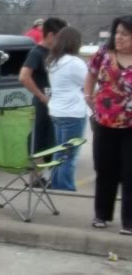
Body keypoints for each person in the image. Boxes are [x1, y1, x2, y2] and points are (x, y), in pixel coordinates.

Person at [85, 15, 132, 233]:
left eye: (125, 33)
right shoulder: (104, 53)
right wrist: (88, 95)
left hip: (130, 125)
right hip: (105, 121)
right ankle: (102, 215)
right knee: (104, 169)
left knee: (129, 172)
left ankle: (129, 222)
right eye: (118, 33)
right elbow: (91, 74)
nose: (119, 37)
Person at [20, 17, 67, 168]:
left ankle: (49, 176)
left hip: (58, 106)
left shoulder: (58, 53)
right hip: (42, 106)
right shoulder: (37, 53)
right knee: (37, 142)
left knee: (53, 143)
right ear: (51, 35)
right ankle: (37, 178)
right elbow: (24, 76)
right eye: (61, 37)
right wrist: (41, 96)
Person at [46, 26, 88, 191]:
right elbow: (90, 85)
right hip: (73, 113)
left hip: (57, 110)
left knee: (60, 151)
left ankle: (56, 184)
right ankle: (65, 187)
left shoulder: (53, 61)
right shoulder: (75, 63)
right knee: (70, 154)